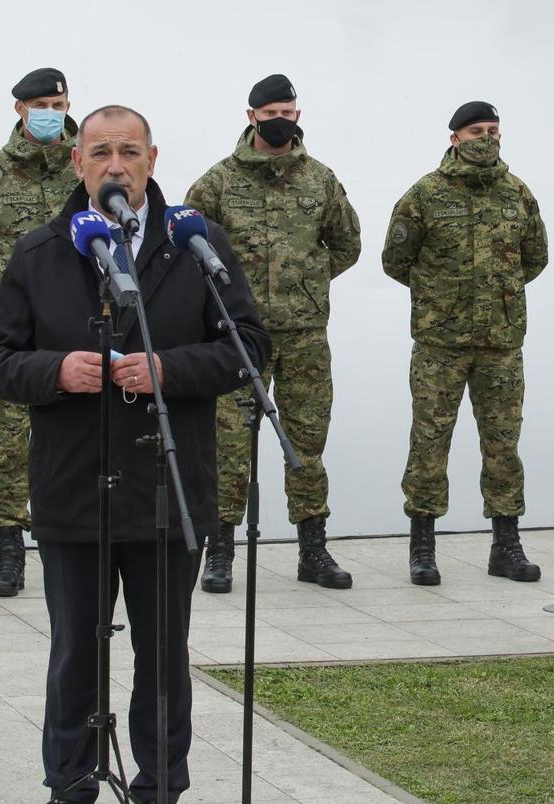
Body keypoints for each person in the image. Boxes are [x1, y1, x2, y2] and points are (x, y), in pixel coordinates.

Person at [0, 104, 270, 804]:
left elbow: (247, 345)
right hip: (74, 488)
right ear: (78, 163)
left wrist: (169, 368)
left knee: (163, 656)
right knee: (76, 650)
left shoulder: (195, 243)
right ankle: (71, 794)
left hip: (167, 488)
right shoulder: (41, 251)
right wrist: (56, 371)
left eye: (130, 152)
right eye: (102, 151)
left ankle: (159, 799)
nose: (116, 165)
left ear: (152, 160)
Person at [185, 74, 361, 593]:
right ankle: (220, 551)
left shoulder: (321, 180)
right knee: (228, 445)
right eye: (270, 114)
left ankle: (313, 550)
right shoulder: (217, 183)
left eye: (288, 113)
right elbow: (186, 250)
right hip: (237, 335)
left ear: (297, 116)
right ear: (252, 117)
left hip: (305, 336)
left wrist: (307, 282)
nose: (280, 121)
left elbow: (347, 243)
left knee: (306, 441)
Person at [382, 101, 548, 586]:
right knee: (429, 445)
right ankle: (423, 547)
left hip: (501, 342)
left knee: (503, 446)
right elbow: (395, 260)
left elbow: (535, 257)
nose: (487, 139)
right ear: (455, 138)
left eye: (494, 130)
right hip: (441, 344)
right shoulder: (425, 195)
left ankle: (506, 546)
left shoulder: (517, 193)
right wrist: (441, 297)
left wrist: (498, 293)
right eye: (477, 131)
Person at [0, 67, 79, 597]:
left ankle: (67, 542)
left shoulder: (86, 167)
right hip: (14, 334)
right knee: (6, 443)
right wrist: (5, 294)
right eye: (40, 105)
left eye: (58, 104)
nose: (50, 113)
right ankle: (9, 552)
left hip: (76, 327)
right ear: (20, 109)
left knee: (76, 438)